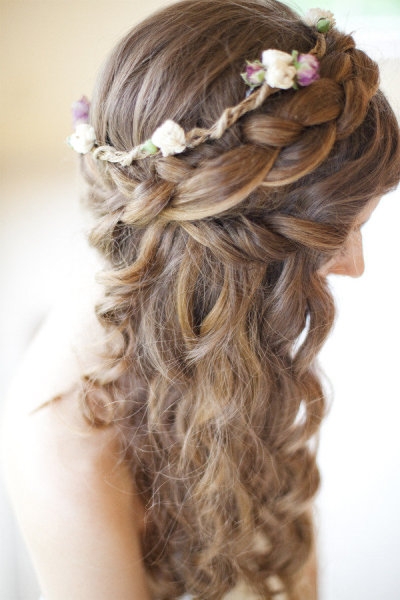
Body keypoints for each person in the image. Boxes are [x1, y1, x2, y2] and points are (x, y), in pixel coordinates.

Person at [2, 1, 400, 599]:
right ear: (231, 252)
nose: (356, 267)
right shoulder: (68, 444)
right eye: (338, 235)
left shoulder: (235, 311)